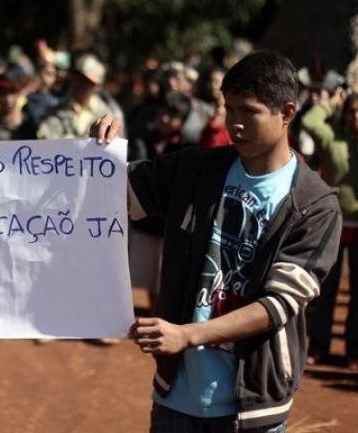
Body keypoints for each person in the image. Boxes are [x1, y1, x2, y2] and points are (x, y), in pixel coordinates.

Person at [93, 50, 342, 431]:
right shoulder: (195, 168)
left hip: (251, 407)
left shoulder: (315, 205)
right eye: (230, 109)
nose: (235, 124)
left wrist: (186, 335)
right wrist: (100, 150)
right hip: (176, 396)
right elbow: (108, 191)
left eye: (249, 111)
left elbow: (277, 305)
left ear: (287, 112)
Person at [302, 91, 358, 369]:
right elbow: (311, 121)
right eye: (352, 111)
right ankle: (319, 346)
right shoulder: (331, 138)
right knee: (324, 288)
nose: (356, 117)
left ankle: (354, 350)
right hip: (332, 223)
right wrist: (329, 102)